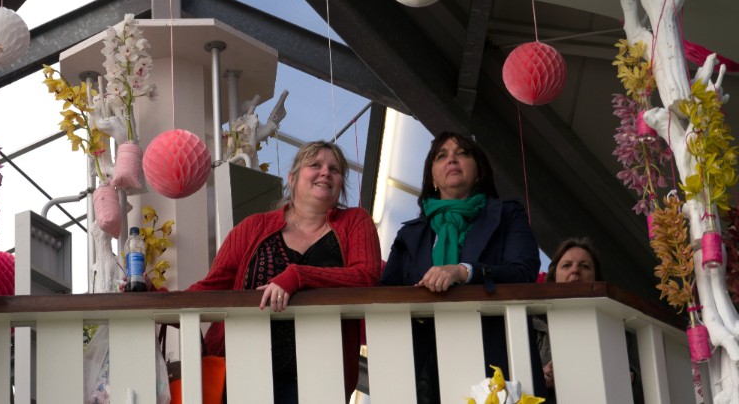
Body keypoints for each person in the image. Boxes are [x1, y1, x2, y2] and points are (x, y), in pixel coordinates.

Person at [187, 140, 382, 403]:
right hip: (241, 372)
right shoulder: (253, 227)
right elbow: (211, 288)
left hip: (321, 378)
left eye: (334, 169)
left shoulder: (355, 221)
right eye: (315, 165)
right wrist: (158, 297)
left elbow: (366, 277)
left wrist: (297, 276)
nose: (326, 172)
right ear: (292, 178)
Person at [380, 131, 540, 404]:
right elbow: (386, 295)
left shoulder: (506, 214)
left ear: (479, 173)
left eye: (462, 153)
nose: (452, 159)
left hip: (496, 356)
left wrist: (465, 271)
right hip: (427, 368)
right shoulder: (410, 235)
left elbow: (523, 272)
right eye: (441, 156)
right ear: (432, 177)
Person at [534, 237, 643, 404]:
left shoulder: (619, 324)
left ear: (596, 277)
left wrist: (630, 379)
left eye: (584, 266)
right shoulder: (532, 325)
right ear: (554, 275)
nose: (575, 271)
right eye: (567, 265)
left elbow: (648, 383)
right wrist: (542, 379)